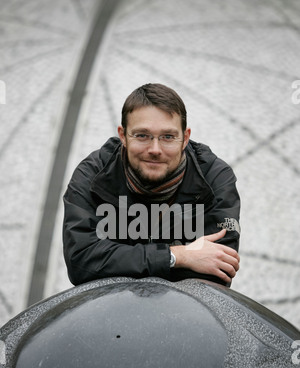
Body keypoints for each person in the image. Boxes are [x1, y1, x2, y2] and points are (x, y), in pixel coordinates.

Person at [63, 83, 240, 287]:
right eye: (142, 136)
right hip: (108, 310)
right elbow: (82, 263)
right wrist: (177, 256)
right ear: (123, 136)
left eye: (167, 137)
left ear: (185, 138)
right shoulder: (92, 175)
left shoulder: (214, 178)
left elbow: (217, 270)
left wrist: (118, 260)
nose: (155, 149)